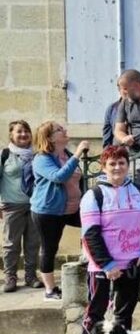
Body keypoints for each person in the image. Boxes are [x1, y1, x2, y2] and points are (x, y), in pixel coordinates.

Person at [76, 145, 140, 334]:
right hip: (103, 268)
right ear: (103, 167)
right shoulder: (94, 195)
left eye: (121, 162)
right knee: (95, 316)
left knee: (124, 317)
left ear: (127, 165)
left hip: (132, 264)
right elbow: (90, 234)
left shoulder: (139, 191)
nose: (117, 167)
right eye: (112, 163)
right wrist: (107, 264)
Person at [30, 121, 89, 301]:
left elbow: (78, 178)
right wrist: (78, 154)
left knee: (93, 224)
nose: (64, 130)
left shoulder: (66, 154)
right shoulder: (41, 158)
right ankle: (50, 290)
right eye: (59, 129)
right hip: (48, 211)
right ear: (50, 137)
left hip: (71, 209)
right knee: (49, 248)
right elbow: (59, 177)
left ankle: (87, 255)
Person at [1, 120, 42, 292]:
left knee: (33, 243)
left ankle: (30, 276)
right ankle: (10, 277)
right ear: (11, 134)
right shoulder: (4, 154)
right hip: (12, 205)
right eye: (19, 131)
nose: (23, 134)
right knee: (11, 244)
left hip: (35, 206)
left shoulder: (37, 154)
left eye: (26, 131)